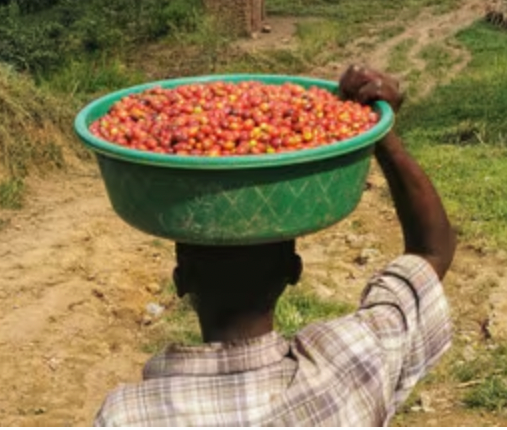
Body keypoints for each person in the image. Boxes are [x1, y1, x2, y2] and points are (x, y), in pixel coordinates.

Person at [95, 64, 456, 427]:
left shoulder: (127, 415)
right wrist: (382, 132)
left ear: (180, 278)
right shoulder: (350, 366)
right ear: (292, 271)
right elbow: (431, 251)